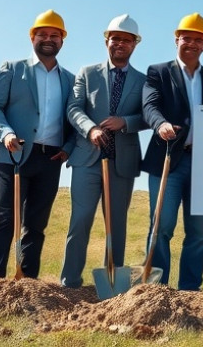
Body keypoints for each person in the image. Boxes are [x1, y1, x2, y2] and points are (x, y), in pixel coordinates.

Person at [141, 12, 203, 290]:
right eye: (186, 38)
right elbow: (150, 105)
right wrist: (160, 124)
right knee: (162, 226)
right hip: (168, 160)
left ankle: (190, 290)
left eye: (198, 40)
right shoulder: (158, 72)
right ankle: (156, 289)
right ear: (176, 40)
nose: (191, 43)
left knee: (199, 233)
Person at [0, 9, 75, 280]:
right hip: (14, 152)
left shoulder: (70, 80)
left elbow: (74, 118)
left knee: (36, 223)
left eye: (54, 35)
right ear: (32, 37)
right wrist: (5, 133)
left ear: (62, 40)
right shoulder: (12, 69)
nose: (48, 39)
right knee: (6, 218)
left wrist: (68, 148)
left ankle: (28, 281)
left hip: (50, 158)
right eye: (42, 34)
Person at [60, 15, 146, 288]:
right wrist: (90, 130)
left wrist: (125, 122)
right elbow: (74, 108)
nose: (120, 44)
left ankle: (112, 282)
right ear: (107, 41)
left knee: (116, 223)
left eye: (126, 40)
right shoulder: (88, 73)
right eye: (115, 38)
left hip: (122, 161)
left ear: (134, 44)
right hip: (87, 159)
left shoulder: (143, 81)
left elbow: (149, 115)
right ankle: (70, 282)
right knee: (80, 219)